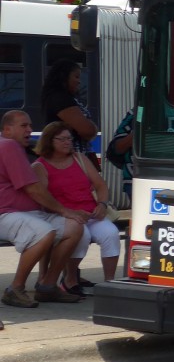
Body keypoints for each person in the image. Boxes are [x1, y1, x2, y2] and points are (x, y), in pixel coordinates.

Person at [0, 111, 85, 307]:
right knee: (43, 232)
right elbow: (33, 189)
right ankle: (16, 289)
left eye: (29, 125)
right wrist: (64, 210)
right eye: (23, 126)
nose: (30, 129)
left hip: (27, 213)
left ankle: (47, 286)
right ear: (7, 129)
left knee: (74, 227)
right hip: (7, 213)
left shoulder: (12, 146)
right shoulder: (9, 145)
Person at [33, 120, 120, 292]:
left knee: (111, 234)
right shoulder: (40, 166)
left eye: (70, 139)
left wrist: (102, 204)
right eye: (63, 139)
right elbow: (43, 199)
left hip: (91, 213)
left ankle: (110, 284)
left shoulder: (79, 158)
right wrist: (70, 212)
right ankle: (70, 279)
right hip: (63, 216)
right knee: (82, 235)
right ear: (50, 140)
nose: (68, 142)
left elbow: (100, 185)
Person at [41, 59, 99, 157]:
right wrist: (91, 127)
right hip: (69, 157)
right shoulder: (60, 99)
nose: (79, 81)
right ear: (64, 77)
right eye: (76, 77)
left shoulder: (63, 98)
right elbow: (87, 130)